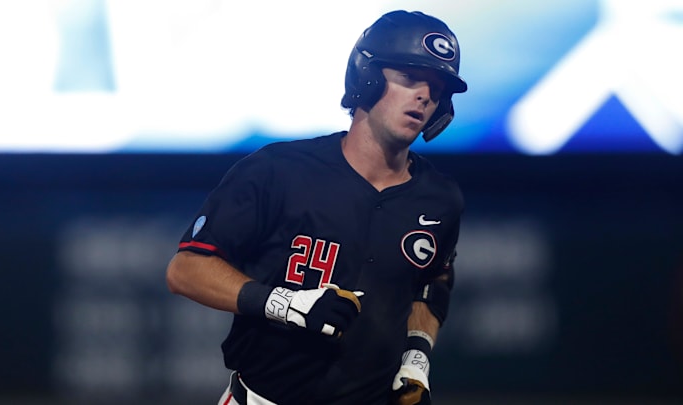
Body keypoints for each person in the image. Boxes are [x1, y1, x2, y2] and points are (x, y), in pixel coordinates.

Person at [166, 9, 467, 405]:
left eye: (437, 87)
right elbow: (185, 270)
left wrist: (416, 355)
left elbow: (430, 287)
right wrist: (282, 303)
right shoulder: (277, 171)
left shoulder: (440, 199)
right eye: (410, 77)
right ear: (368, 77)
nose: (425, 96)